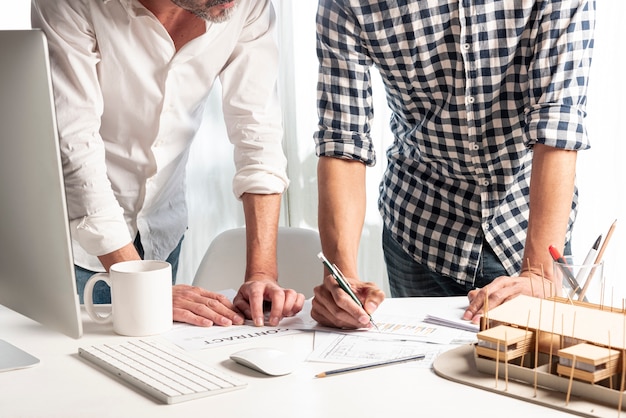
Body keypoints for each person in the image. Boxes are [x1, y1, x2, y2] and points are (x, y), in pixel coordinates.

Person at [311, 0, 596, 328]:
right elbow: (343, 139)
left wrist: (539, 273)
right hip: (420, 234)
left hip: (530, 230)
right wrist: (341, 276)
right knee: (416, 375)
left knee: (531, 375)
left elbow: (558, 122)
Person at [31, 0, 305, 327]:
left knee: (156, 369)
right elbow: (74, 146)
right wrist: (143, 287)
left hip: (161, 232)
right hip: (71, 243)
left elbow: (257, 132)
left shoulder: (246, 5)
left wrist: (261, 274)